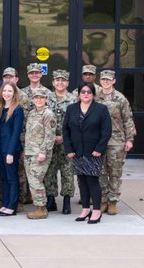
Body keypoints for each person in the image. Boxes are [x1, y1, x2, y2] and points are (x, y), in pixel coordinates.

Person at [63, 82, 112, 224]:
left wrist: (99, 149)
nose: (85, 94)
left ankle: (96, 211)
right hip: (77, 151)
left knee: (92, 181)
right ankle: (85, 209)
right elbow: (65, 130)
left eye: (89, 92)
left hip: (94, 152)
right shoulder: (71, 109)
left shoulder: (101, 109)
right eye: (83, 91)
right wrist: (69, 149)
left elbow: (106, 131)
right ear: (79, 94)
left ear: (93, 94)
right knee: (82, 181)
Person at [96, 69, 135, 216]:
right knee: (100, 172)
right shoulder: (95, 96)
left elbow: (127, 119)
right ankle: (103, 200)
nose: (105, 82)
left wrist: (130, 139)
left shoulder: (120, 98)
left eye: (108, 79)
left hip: (116, 141)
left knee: (114, 173)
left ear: (114, 81)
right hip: (99, 141)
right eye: (103, 79)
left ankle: (113, 201)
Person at [46, 70, 77, 215]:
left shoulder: (74, 99)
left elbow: (77, 122)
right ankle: (50, 199)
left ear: (67, 83)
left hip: (68, 142)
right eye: (57, 80)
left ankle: (66, 200)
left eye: (63, 80)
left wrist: (65, 137)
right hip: (50, 142)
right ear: (53, 82)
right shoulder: (46, 98)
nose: (60, 83)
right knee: (49, 171)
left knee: (67, 172)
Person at [23, 88, 58, 220]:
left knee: (36, 180)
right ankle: (38, 206)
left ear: (46, 100)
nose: (39, 100)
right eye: (36, 97)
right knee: (32, 180)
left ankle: (41, 208)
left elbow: (50, 136)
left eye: (41, 98)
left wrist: (43, 152)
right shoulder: (32, 113)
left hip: (40, 153)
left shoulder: (48, 114)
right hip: (29, 152)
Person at [0, 83, 25, 217]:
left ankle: (12, 206)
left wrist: (11, 152)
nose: (6, 93)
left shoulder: (17, 109)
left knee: (11, 178)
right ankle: (5, 204)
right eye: (4, 90)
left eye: (9, 91)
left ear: (14, 93)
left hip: (10, 149)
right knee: (3, 178)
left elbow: (16, 133)